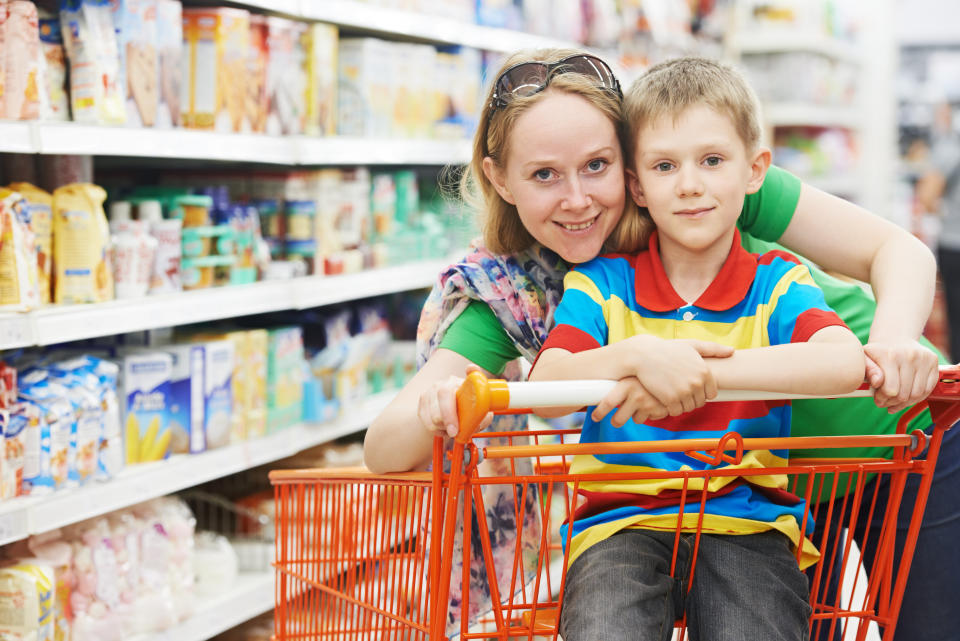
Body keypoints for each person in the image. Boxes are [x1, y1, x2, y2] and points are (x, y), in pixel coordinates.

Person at [362, 49, 946, 638]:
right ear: (500, 179)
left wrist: (895, 341)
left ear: (627, 160)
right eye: (544, 174)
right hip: (758, 487)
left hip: (894, 436)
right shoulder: (515, 291)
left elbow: (896, 251)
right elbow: (387, 446)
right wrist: (443, 404)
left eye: (597, 165)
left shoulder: (703, 187)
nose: (577, 198)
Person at [527, 56, 865, 641]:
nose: (689, 184)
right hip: (618, 522)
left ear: (755, 169)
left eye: (712, 161)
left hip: (750, 520)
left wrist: (702, 375)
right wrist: (638, 357)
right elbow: (547, 390)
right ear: (637, 185)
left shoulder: (778, 282)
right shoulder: (604, 283)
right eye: (664, 166)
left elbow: (841, 361)